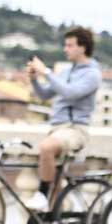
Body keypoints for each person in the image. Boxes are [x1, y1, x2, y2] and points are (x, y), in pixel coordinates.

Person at [27, 27, 102, 211]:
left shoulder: (92, 74)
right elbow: (45, 94)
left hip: (75, 129)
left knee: (46, 147)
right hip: (58, 128)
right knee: (56, 183)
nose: (65, 49)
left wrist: (46, 72)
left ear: (82, 48)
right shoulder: (66, 71)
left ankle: (42, 195)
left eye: (69, 45)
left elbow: (71, 93)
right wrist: (35, 79)